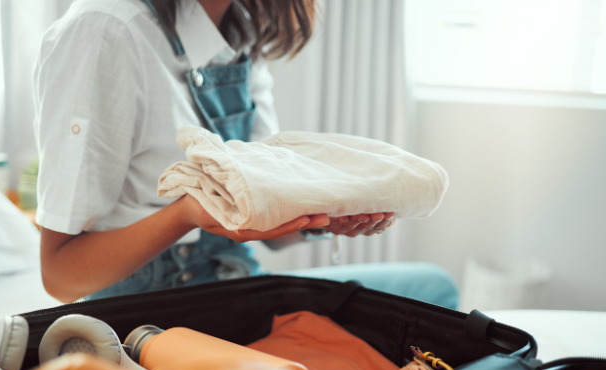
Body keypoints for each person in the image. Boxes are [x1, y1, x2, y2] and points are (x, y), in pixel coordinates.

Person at [33, 0, 458, 309]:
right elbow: (60, 276)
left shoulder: (239, 32)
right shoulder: (103, 31)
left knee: (435, 288)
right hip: (151, 310)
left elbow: (268, 225)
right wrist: (185, 214)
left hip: (237, 281)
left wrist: (327, 218)